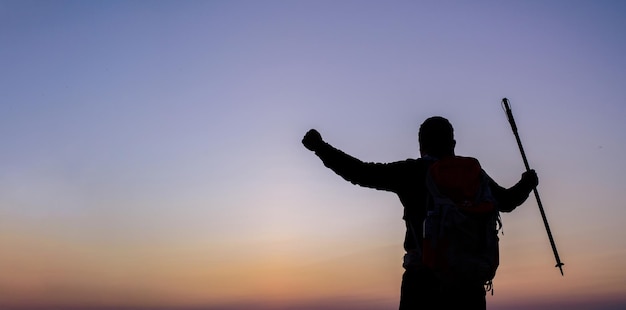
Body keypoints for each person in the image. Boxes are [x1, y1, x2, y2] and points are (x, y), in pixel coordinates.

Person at [301, 116, 538, 309]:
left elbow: (360, 173)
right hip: (469, 286)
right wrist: (528, 182)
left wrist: (320, 148)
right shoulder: (475, 174)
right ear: (453, 145)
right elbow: (507, 202)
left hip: (423, 283)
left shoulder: (412, 172)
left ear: (421, 145)